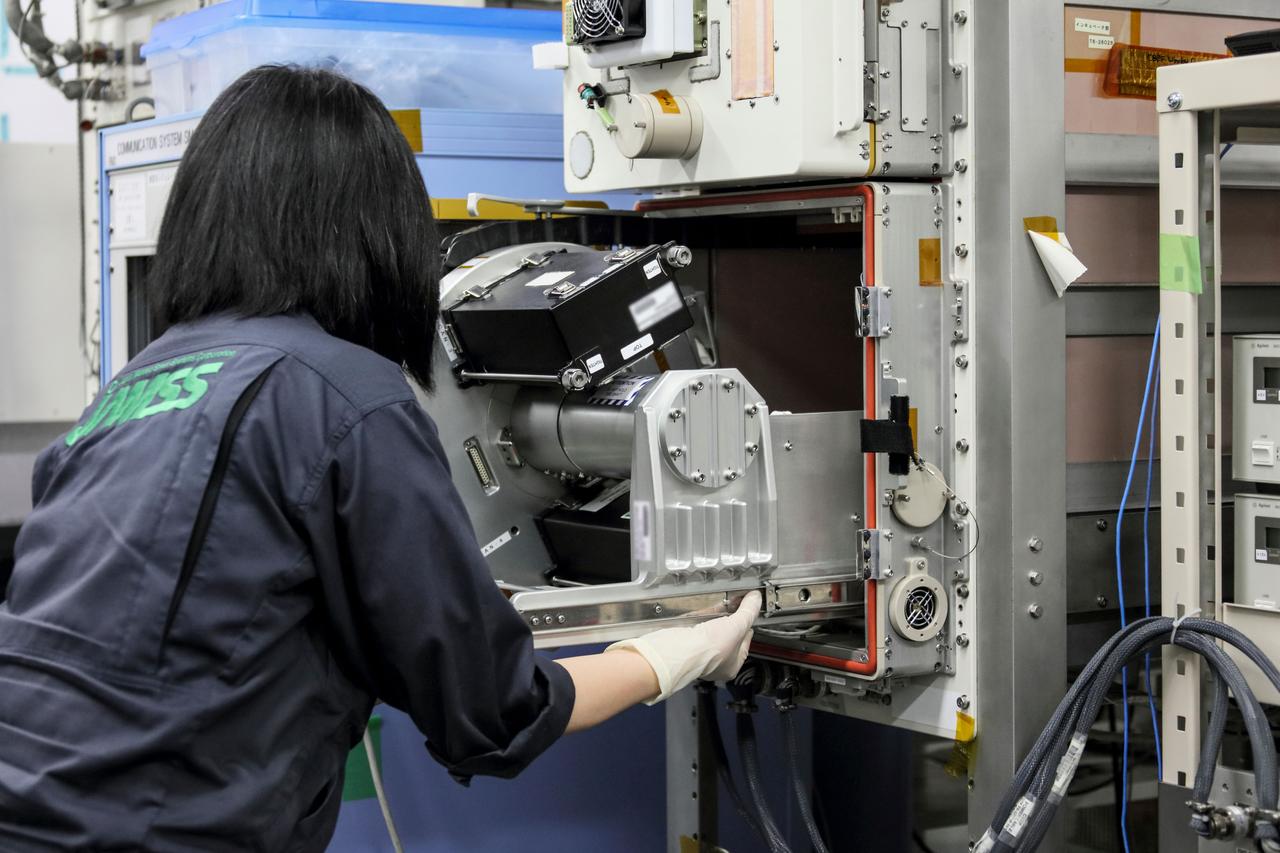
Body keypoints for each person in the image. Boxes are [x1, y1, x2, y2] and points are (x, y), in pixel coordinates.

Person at [0, 65, 759, 852]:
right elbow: (494, 711)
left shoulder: (132, 385)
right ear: (375, 234)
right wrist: (669, 655)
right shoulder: (344, 393)